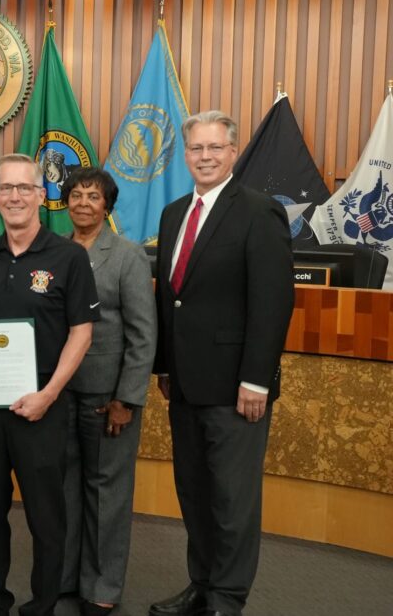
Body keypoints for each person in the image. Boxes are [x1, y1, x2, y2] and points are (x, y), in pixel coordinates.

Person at [149, 111, 293, 616]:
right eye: (196, 149)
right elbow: (171, 301)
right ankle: (202, 585)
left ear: (233, 153)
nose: (205, 157)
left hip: (237, 388)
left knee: (232, 501)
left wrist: (257, 379)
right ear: (185, 155)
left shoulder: (259, 211)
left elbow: (272, 303)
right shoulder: (172, 215)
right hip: (184, 386)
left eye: (215, 148)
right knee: (195, 494)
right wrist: (164, 367)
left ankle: (227, 600)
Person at [0, 153, 100, 616]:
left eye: (24, 188)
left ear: (41, 195)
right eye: (5, 188)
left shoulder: (69, 257)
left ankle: (42, 605)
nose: (14, 196)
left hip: (41, 407)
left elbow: (82, 331)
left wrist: (50, 393)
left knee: (46, 518)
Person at [60, 168, 157, 616]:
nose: (83, 203)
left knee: (107, 493)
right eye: (76, 195)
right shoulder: (54, 251)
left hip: (106, 399)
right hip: (58, 394)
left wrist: (128, 398)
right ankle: (64, 577)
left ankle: (102, 585)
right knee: (65, 488)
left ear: (107, 206)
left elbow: (143, 334)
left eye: (93, 197)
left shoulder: (126, 256)